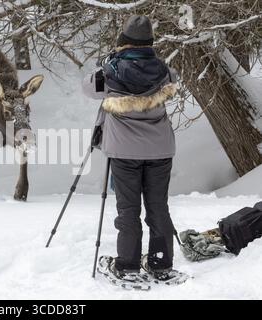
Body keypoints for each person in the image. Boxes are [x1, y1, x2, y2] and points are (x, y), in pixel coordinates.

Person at [83, 15, 180, 283]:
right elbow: (175, 82)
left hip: (124, 152)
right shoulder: (164, 71)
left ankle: (127, 266)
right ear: (150, 42)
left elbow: (88, 88)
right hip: (160, 150)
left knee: (128, 209)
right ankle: (161, 264)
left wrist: (106, 62)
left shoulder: (108, 72)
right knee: (158, 206)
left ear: (123, 40)